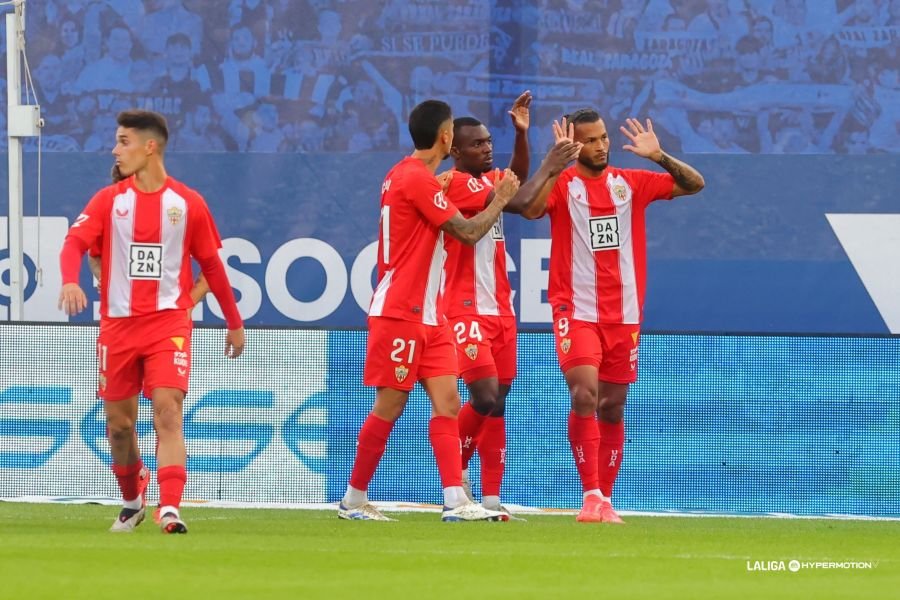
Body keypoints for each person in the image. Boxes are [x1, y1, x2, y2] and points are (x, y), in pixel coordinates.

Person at [58, 110, 245, 534]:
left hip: (168, 327)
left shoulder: (188, 203)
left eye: (123, 141)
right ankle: (132, 499)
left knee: (168, 412)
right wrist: (71, 281)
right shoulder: (109, 201)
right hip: (118, 328)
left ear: (150, 146)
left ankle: (171, 508)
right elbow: (74, 244)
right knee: (119, 428)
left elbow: (212, 266)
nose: (115, 149)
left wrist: (234, 322)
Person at [338, 99, 521, 522]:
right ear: (445, 137)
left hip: (431, 313)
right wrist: (501, 200)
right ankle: (353, 499)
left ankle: (456, 499)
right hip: (401, 307)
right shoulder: (415, 179)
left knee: (449, 401)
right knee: (391, 404)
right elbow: (469, 232)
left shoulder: (407, 177)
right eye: (454, 130)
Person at [521, 109, 705, 523]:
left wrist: (659, 156)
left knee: (613, 406)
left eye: (603, 137)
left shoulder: (629, 183)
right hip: (576, 307)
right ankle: (589, 495)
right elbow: (529, 209)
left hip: (624, 314)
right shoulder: (564, 185)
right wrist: (551, 164)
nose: (601, 145)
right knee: (584, 393)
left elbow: (695, 184)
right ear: (574, 144)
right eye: (590, 140)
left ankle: (605, 499)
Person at [443, 92, 582, 517]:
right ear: (454, 150)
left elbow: (516, 178)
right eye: (477, 144)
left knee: (499, 400)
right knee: (483, 397)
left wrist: (522, 135)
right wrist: (553, 165)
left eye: (489, 141)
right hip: (464, 305)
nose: (487, 148)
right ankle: (457, 480)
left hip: (501, 307)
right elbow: (520, 201)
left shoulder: (488, 179)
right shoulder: (457, 184)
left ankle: (490, 498)